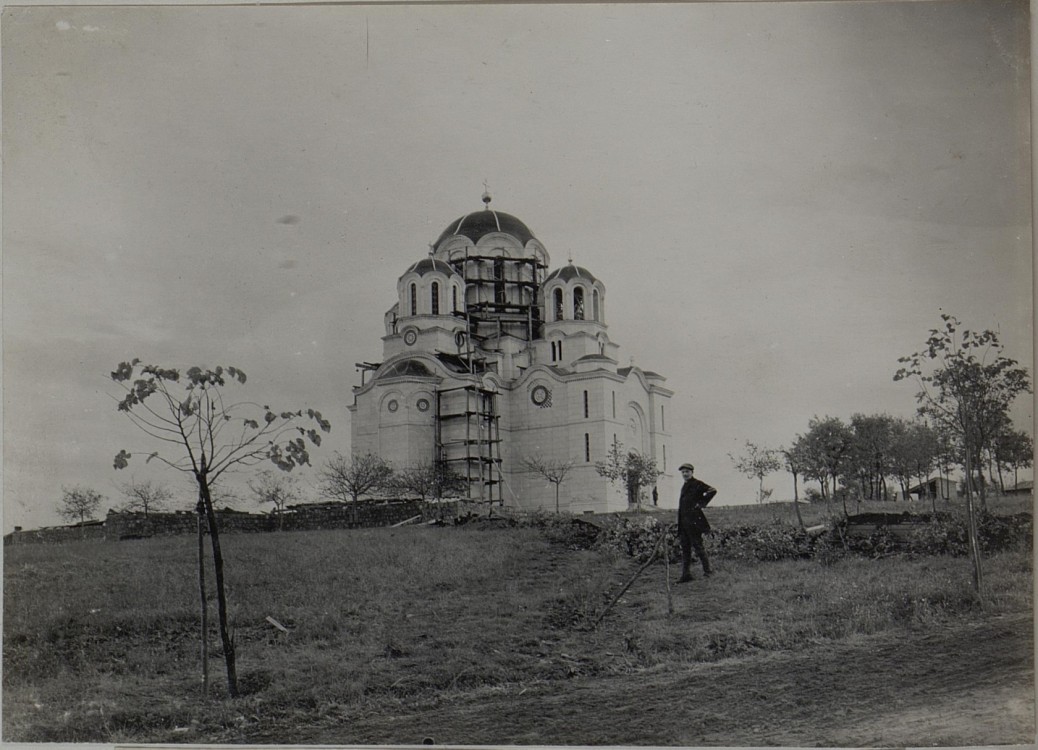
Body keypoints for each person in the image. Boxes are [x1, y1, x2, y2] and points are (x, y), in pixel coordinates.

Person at [676, 462, 717, 582]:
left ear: (692, 472)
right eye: (683, 472)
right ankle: (686, 575)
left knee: (698, 547)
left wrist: (701, 503)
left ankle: (708, 571)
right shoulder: (685, 485)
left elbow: (712, 490)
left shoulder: (697, 483)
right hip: (683, 523)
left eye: (687, 472)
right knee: (685, 549)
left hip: (694, 523)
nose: (685, 474)